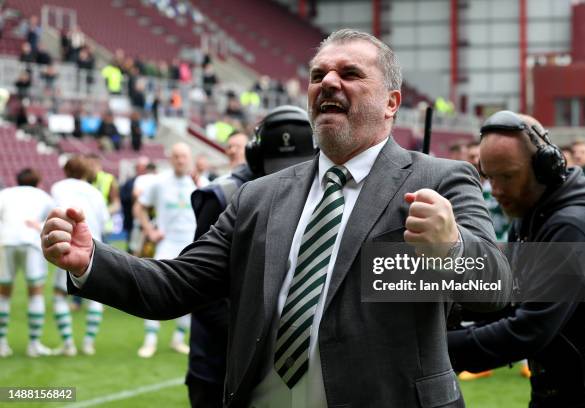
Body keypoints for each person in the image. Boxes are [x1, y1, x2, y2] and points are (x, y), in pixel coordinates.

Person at [42, 29, 511, 407]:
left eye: (350, 73)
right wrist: (90, 261)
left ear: (391, 102)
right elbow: (175, 286)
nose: (329, 83)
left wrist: (451, 249)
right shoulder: (257, 198)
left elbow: (496, 287)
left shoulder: (442, 178)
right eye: (318, 75)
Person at [448, 111, 585, 407]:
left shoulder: (572, 226)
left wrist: (439, 349)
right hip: (560, 385)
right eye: (489, 176)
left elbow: (530, 328)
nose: (495, 191)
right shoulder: (531, 216)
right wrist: (446, 313)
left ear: (544, 168)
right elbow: (511, 297)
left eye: (507, 176)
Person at [186, 105, 316, 408]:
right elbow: (200, 289)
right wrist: (260, 333)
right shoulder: (221, 197)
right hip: (220, 365)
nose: (288, 174)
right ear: (255, 156)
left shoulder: (317, 190)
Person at [133, 143, 197, 358]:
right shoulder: (159, 183)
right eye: (177, 156)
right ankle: (149, 341)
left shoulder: (199, 183)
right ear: (171, 159)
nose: (180, 160)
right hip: (166, 245)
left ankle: (179, 339)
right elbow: (139, 206)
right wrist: (149, 230)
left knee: (190, 294)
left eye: (184, 156)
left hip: (191, 246)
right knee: (154, 290)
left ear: (189, 158)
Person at [50, 156, 109, 356]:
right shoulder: (96, 192)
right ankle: (88, 343)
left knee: (59, 295)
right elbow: (104, 221)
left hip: (67, 244)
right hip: (94, 245)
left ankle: (68, 344)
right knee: (96, 296)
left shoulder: (58, 187)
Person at [0, 168, 55, 357]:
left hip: (6, 242)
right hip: (31, 243)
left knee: (4, 293)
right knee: (35, 291)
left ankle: (1, 344)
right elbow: (52, 222)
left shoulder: (5, 194)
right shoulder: (43, 196)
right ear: (38, 181)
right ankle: (34, 344)